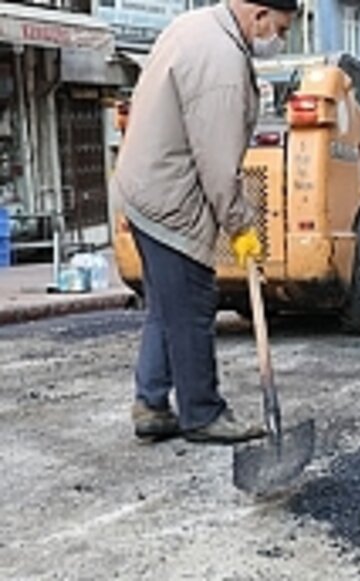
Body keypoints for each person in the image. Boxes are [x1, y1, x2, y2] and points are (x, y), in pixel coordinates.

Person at [111, 0, 297, 443]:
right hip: (171, 199)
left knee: (166, 305)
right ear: (258, 15)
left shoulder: (193, 26)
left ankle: (152, 403)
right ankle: (203, 413)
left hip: (143, 189)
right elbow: (219, 167)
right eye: (281, 28)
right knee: (193, 304)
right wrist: (242, 227)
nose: (280, 39)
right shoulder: (224, 62)